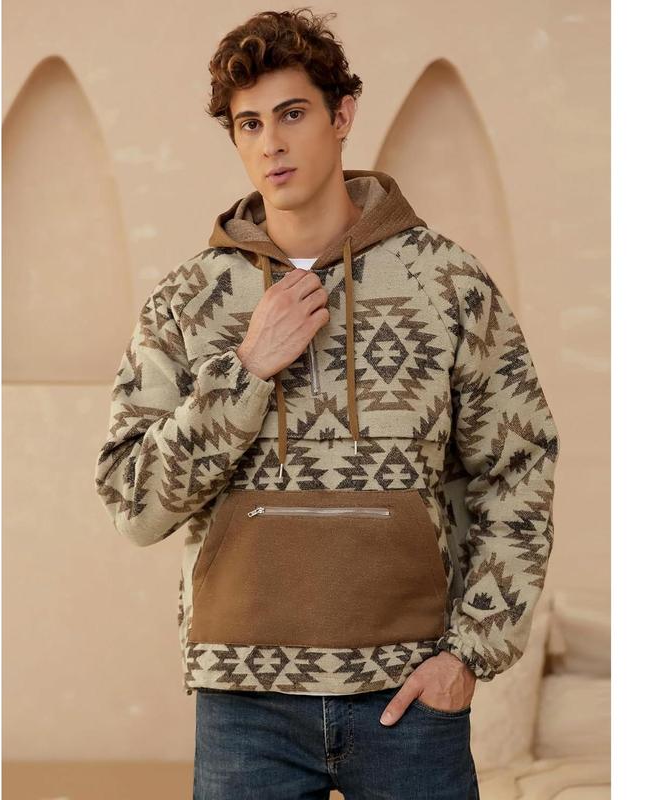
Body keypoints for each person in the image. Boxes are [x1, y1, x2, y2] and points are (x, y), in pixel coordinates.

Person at [93, 7, 560, 799]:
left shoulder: (447, 282)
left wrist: (470, 653)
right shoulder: (188, 299)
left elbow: (518, 467)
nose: (270, 144)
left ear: (342, 116)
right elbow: (132, 504)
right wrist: (246, 372)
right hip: (244, 704)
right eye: (249, 124)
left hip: (411, 693)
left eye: (292, 114)